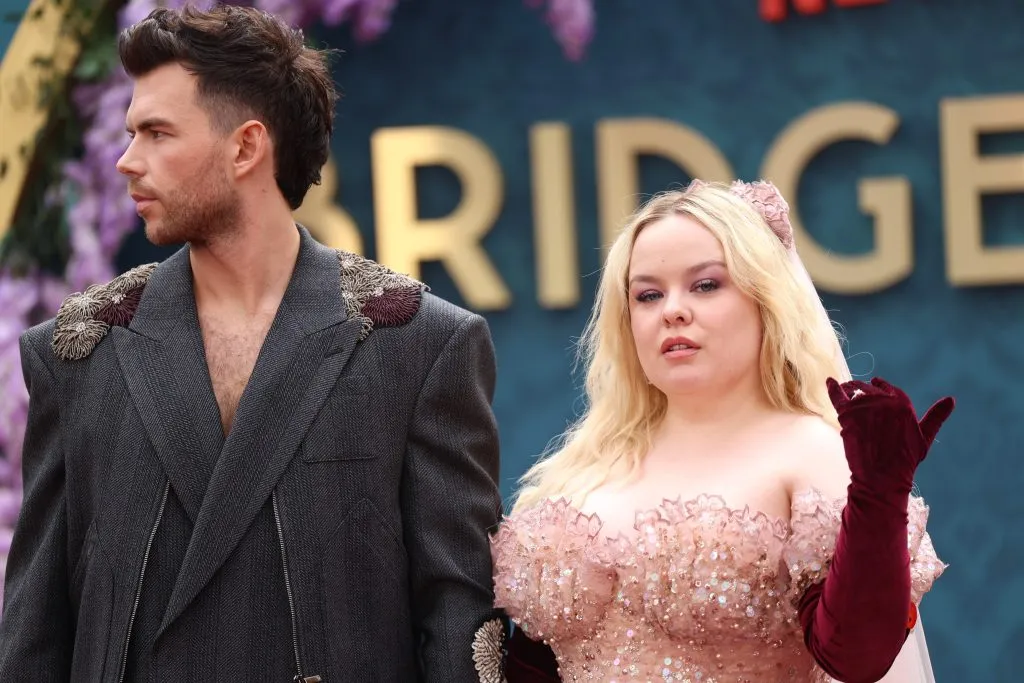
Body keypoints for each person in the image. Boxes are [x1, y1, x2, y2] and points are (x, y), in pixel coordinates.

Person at [0, 5, 505, 681]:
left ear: (245, 147)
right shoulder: (78, 352)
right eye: (127, 134)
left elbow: (458, 625)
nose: (125, 162)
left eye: (155, 133)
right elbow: (33, 636)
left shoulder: (419, 344)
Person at [491, 179, 952, 682]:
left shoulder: (809, 450)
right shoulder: (582, 472)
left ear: (766, 301)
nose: (673, 310)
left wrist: (879, 492)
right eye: (647, 295)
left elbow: (856, 656)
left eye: (706, 285)